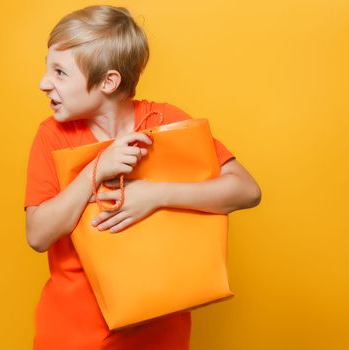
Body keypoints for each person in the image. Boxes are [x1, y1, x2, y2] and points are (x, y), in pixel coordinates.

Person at [24, 5, 261, 349]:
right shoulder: (52, 135)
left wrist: (153, 194)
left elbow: (246, 190)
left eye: (60, 72)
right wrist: (96, 171)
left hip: (160, 335)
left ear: (108, 81)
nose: (44, 83)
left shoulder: (164, 121)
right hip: (72, 336)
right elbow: (38, 233)